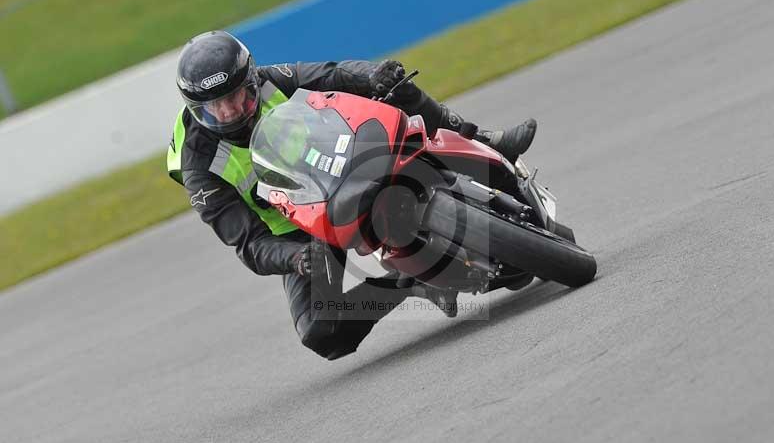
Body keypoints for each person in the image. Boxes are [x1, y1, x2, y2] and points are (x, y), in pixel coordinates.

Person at [167, 30, 537, 360]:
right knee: (321, 333)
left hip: (336, 160)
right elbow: (248, 243)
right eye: (217, 107)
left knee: (397, 90)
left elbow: (335, 74)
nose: (232, 111)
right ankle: (408, 282)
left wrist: (374, 75)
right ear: (195, 109)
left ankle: (483, 140)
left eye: (237, 96)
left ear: (250, 79)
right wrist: (294, 257)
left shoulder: (271, 80)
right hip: (297, 227)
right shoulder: (199, 169)